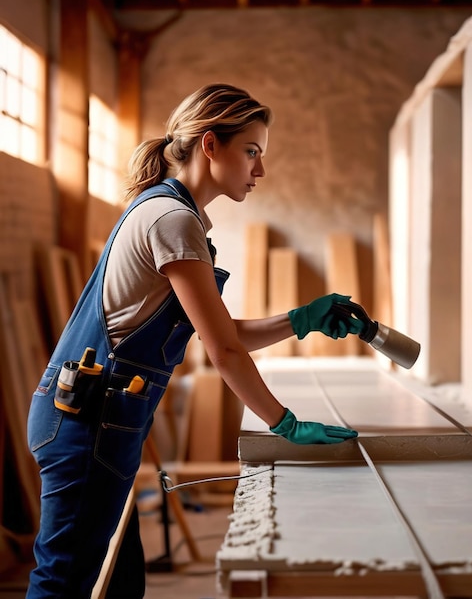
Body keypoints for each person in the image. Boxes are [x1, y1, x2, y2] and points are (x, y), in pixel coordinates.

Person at [26, 84, 363, 598]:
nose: (260, 170)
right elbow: (223, 351)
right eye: (251, 151)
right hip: (88, 422)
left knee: (107, 574)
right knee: (65, 580)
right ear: (210, 145)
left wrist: (302, 319)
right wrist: (284, 424)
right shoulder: (172, 220)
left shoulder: (167, 212)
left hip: (92, 417)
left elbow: (225, 335)